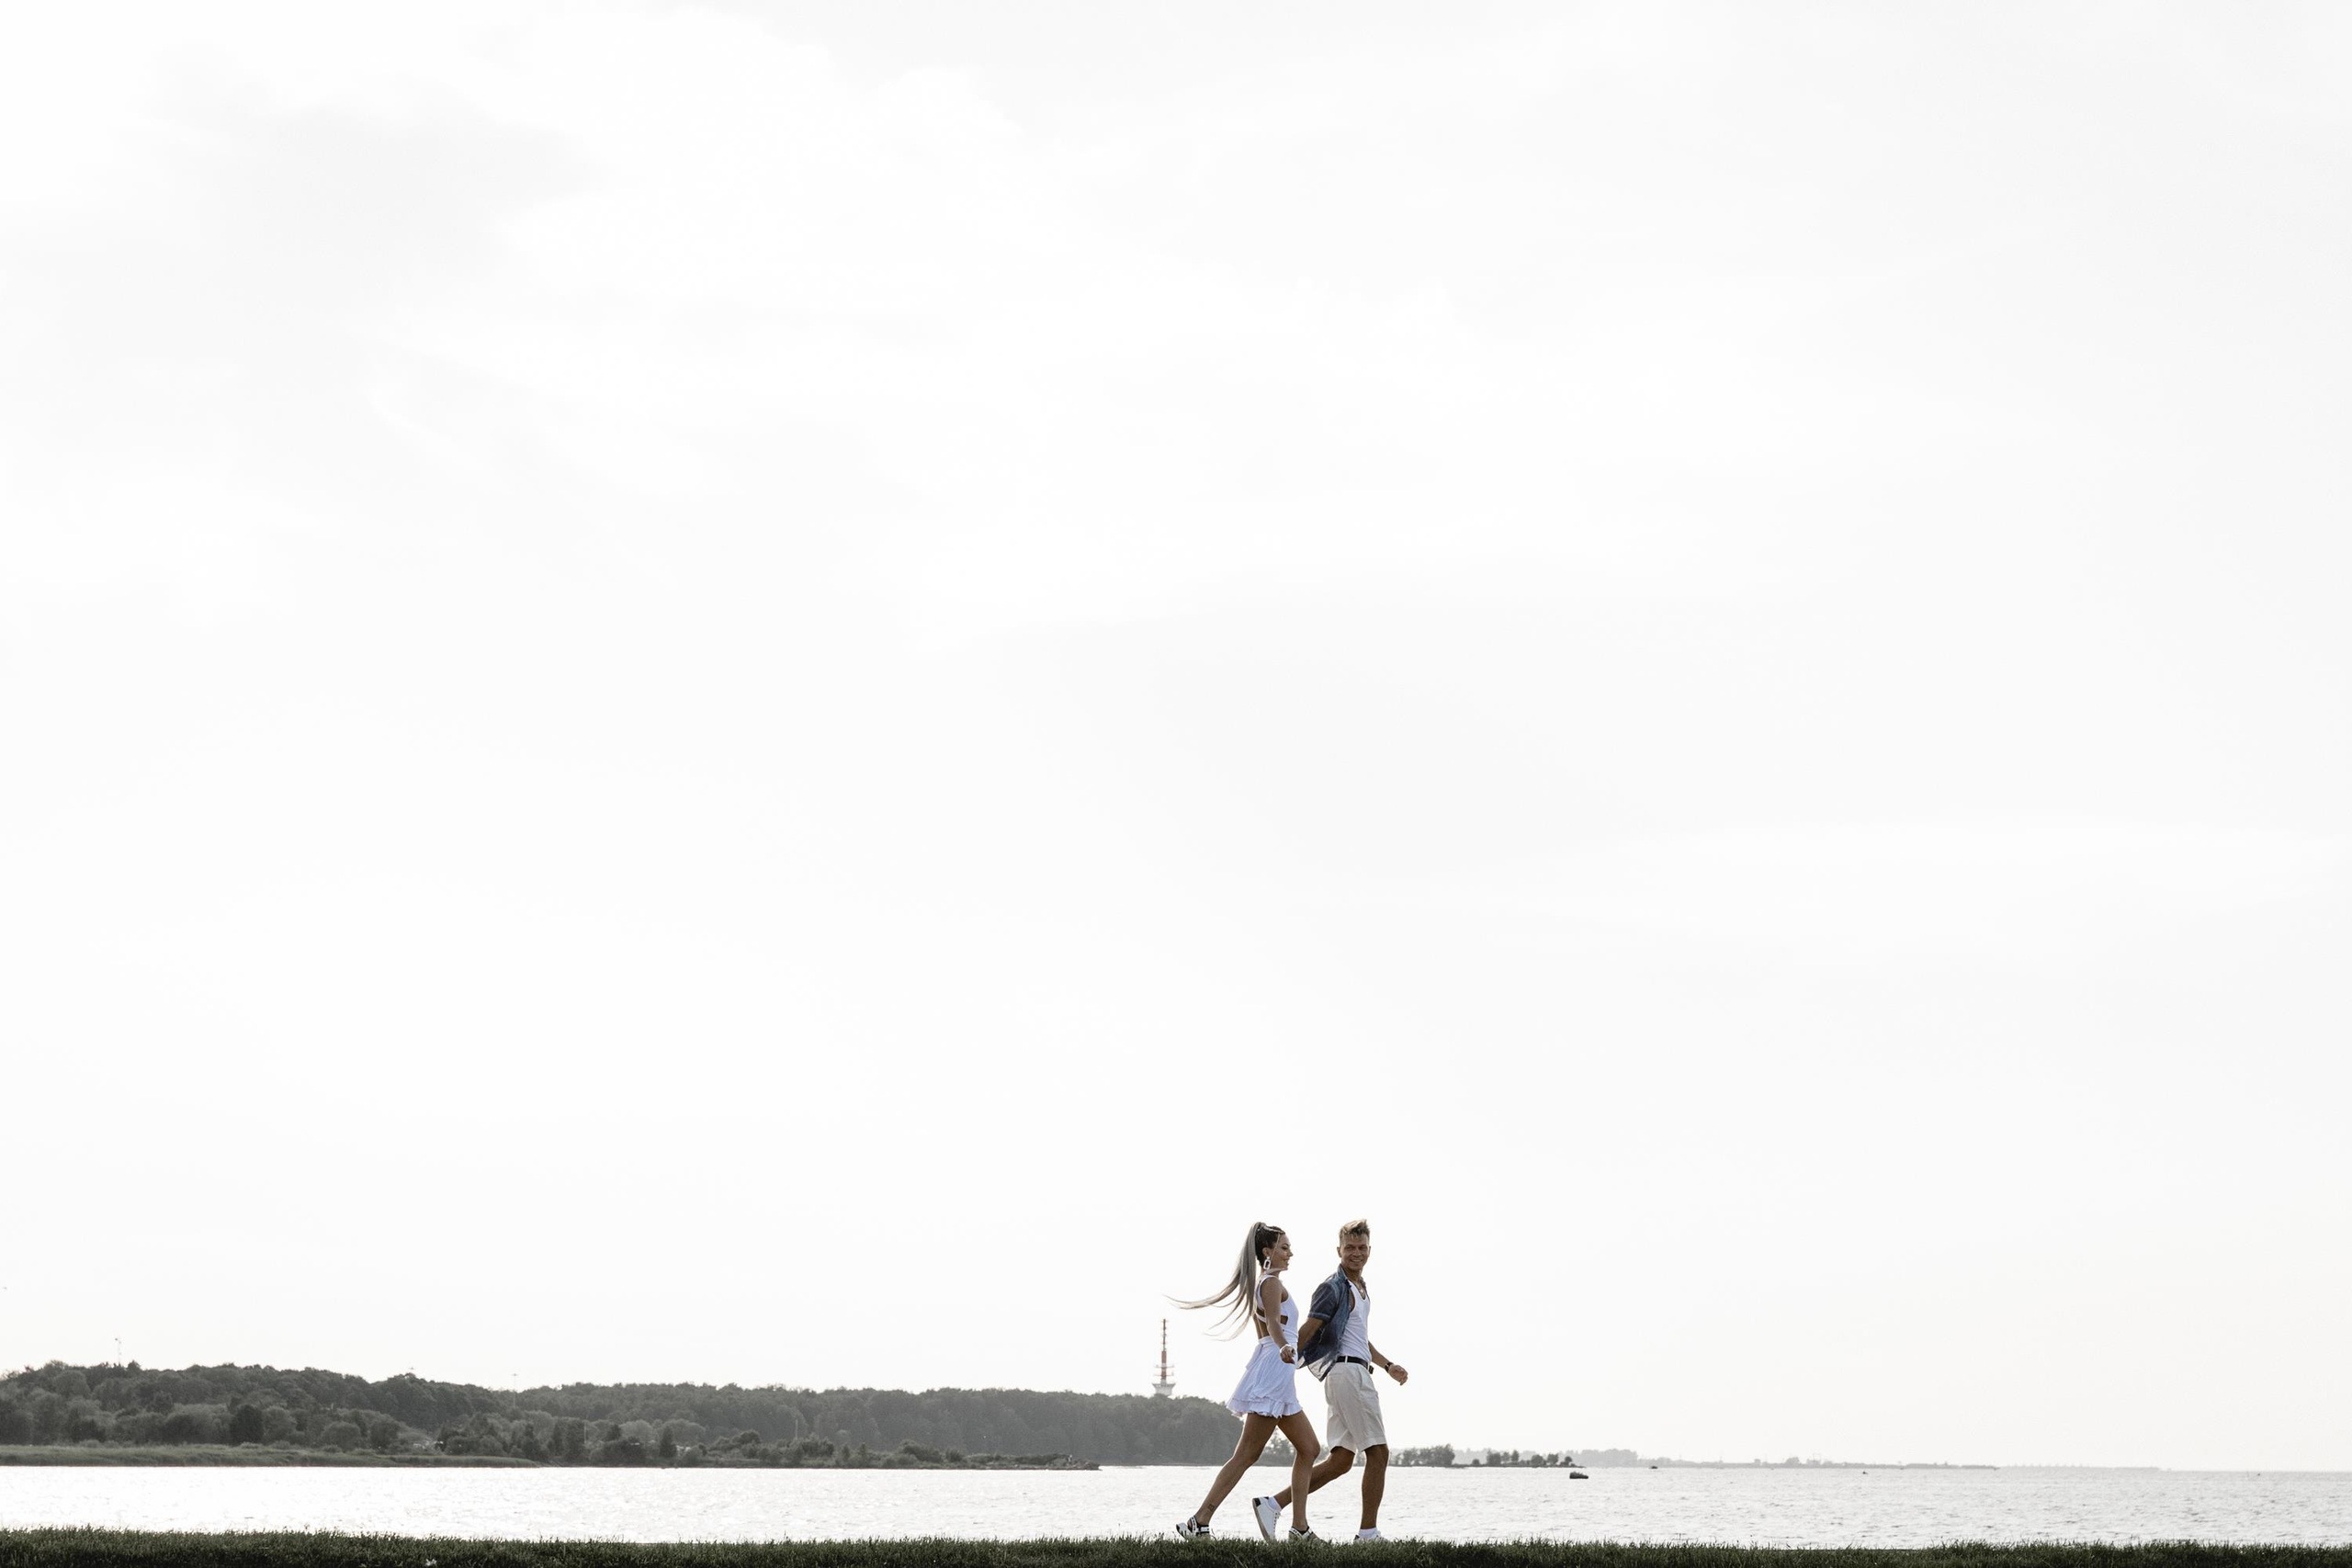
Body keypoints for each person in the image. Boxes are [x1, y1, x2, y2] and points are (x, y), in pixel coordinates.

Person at [1251, 1218, 1408, 1543]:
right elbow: (1310, 1327)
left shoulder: (1360, 1289)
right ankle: (1368, 1534)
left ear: (1370, 1251)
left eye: (1361, 1248)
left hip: (1350, 1373)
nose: (1356, 1253)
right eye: (1349, 1248)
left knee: (1340, 1462)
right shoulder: (1333, 1287)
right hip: (1348, 1375)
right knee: (1378, 1454)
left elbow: (1359, 1338)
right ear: (1339, 1250)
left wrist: (1388, 1365)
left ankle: (1273, 1504)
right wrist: (1286, 1357)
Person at [1171, 1221, 1323, 1541]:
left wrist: (1280, 1348)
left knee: (1309, 1448)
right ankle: (1198, 1522)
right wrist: (1283, 1345)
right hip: (1273, 1371)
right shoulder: (1269, 1284)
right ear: (1267, 1252)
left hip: (1276, 1371)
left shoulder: (1267, 1284)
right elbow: (1272, 1329)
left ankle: (1299, 1528)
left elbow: (1263, 1331)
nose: (1290, 1253)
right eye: (1284, 1248)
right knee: (1246, 1455)